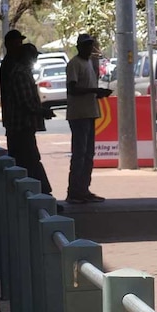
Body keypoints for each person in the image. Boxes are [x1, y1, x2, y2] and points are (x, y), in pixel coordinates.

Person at [65, 33, 112, 204]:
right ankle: (74, 191)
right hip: (79, 114)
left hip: (90, 112)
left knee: (88, 153)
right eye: (85, 45)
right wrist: (94, 91)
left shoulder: (88, 63)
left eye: (90, 45)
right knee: (80, 153)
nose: (88, 48)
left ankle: (84, 189)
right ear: (79, 47)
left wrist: (97, 93)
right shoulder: (74, 64)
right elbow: (72, 89)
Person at [3, 42, 55, 195]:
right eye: (33, 56)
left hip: (21, 127)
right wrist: (42, 112)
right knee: (30, 161)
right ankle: (44, 195)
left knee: (26, 162)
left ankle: (38, 194)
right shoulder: (21, 73)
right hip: (22, 127)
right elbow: (26, 103)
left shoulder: (21, 72)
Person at [0, 29, 26, 122]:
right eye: (17, 43)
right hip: (16, 116)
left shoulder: (10, 62)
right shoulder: (11, 64)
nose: (20, 46)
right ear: (9, 45)